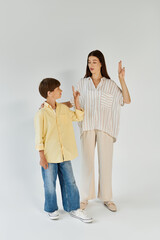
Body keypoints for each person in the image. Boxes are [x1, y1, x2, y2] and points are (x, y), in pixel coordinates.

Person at [63, 50, 131, 212]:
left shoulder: (110, 84)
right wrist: (51, 104)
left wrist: (121, 79)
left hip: (106, 127)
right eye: (89, 62)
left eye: (94, 61)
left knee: (105, 162)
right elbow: (72, 102)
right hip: (87, 126)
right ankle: (85, 197)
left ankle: (107, 198)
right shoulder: (83, 83)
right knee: (87, 162)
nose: (91, 65)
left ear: (101, 63)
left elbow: (126, 100)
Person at [34, 78, 93, 223]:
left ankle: (74, 208)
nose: (61, 91)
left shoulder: (63, 109)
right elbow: (39, 138)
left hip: (65, 153)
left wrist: (76, 100)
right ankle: (51, 209)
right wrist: (42, 156)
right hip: (49, 155)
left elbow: (78, 116)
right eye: (58, 89)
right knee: (49, 183)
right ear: (50, 93)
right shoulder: (41, 114)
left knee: (70, 182)